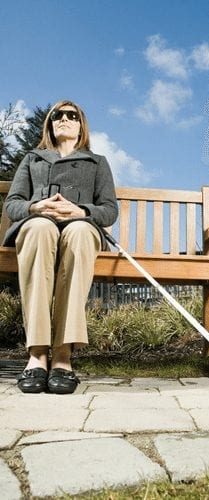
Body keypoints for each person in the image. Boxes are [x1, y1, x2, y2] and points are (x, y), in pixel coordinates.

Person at [3, 100, 118, 394]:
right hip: (38, 227)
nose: (64, 118)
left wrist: (81, 211)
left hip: (79, 229)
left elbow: (109, 210)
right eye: (58, 115)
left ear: (81, 125)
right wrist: (36, 206)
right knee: (40, 228)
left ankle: (63, 355)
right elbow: (12, 204)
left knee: (79, 233)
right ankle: (38, 354)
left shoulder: (97, 163)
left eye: (72, 115)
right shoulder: (33, 159)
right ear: (50, 124)